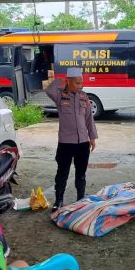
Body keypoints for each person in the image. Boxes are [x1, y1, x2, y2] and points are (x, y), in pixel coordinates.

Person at [46, 67, 98, 210]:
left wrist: (92, 137)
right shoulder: (60, 96)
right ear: (68, 82)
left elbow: (89, 119)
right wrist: (60, 80)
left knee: (81, 174)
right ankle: (58, 201)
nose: (80, 86)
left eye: (81, 83)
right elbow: (49, 90)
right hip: (65, 143)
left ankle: (80, 200)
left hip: (82, 143)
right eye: (77, 83)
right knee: (62, 173)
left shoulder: (84, 97)